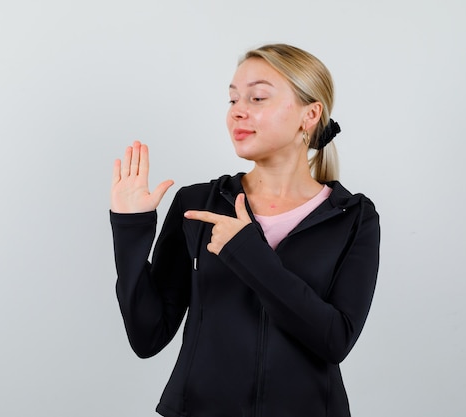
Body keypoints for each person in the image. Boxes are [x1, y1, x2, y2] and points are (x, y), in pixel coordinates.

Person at [109, 43, 380, 417]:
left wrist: (247, 252)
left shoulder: (353, 216)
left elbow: (334, 340)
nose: (238, 111)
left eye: (257, 97)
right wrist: (131, 227)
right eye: (233, 99)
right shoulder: (198, 204)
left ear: (310, 114)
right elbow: (147, 336)